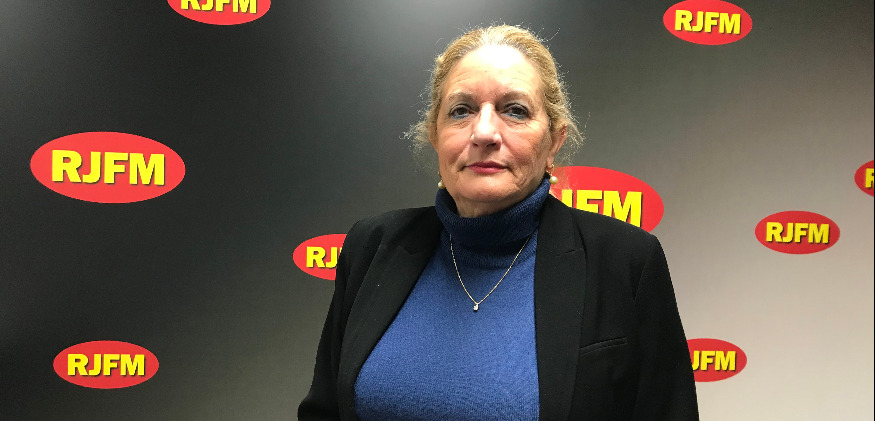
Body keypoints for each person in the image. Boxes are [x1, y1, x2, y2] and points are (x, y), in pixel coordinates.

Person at [299, 25, 698, 420]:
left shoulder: (625, 261)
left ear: (554, 142)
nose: (485, 132)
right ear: (435, 136)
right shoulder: (372, 246)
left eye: (515, 110)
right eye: (461, 110)